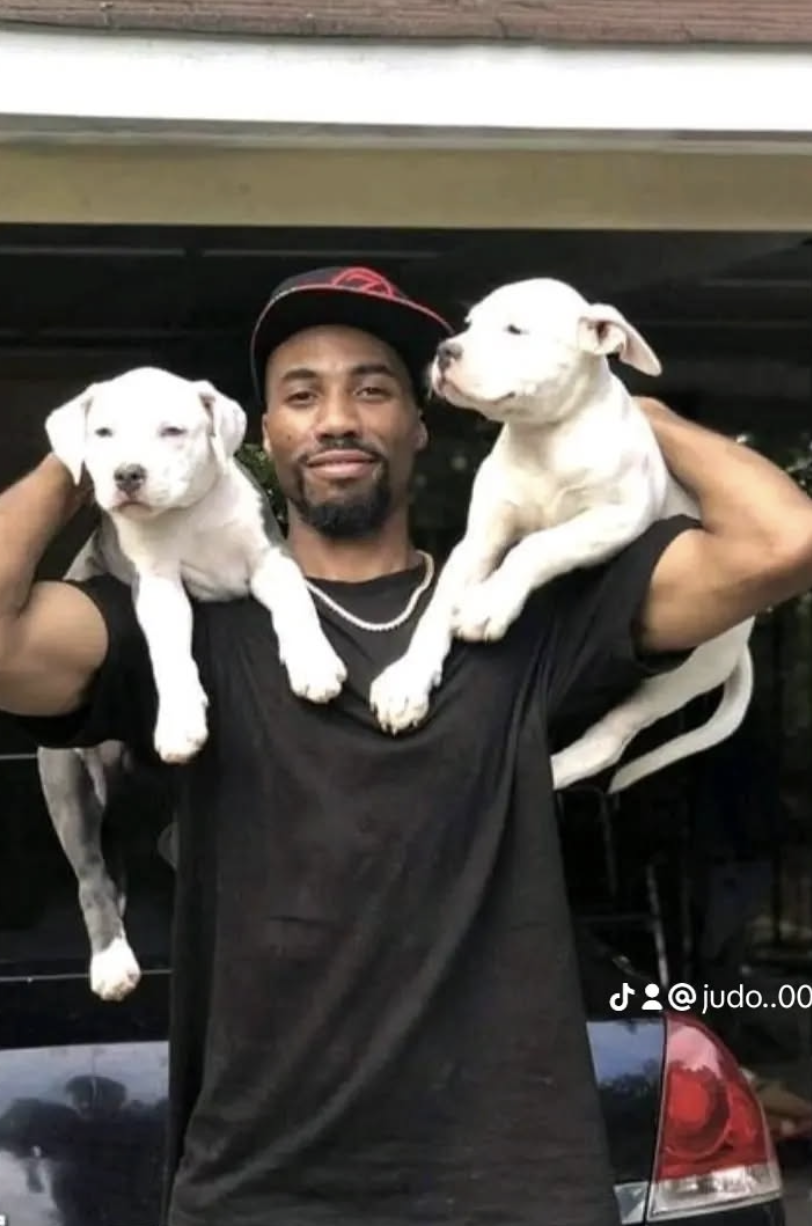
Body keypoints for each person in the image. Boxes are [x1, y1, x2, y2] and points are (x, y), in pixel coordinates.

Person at [1, 265, 811, 1226]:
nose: (338, 418)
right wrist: (94, 445)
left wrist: (616, 404)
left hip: (515, 1186)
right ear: (259, 435)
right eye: (302, 395)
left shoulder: (528, 615)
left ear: (422, 422)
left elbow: (782, 543)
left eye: (374, 389)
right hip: (262, 1186)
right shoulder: (183, 628)